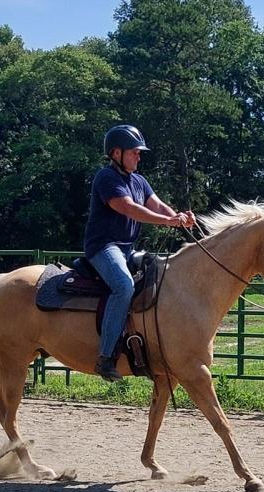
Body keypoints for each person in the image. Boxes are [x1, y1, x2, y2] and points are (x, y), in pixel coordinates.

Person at [84, 124, 196, 382]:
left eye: (139, 152)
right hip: (104, 247)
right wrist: (168, 222)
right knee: (123, 285)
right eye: (134, 152)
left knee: (161, 274)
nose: (139, 156)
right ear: (116, 154)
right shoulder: (106, 178)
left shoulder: (139, 180)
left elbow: (156, 204)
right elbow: (128, 208)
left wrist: (178, 217)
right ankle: (106, 356)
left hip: (127, 248)